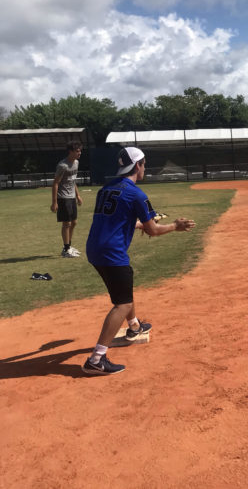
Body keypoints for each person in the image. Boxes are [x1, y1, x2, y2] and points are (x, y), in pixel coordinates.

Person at [82, 147, 196, 375]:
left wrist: (141, 224)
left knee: (124, 290)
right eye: (143, 163)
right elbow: (153, 230)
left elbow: (117, 220)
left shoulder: (106, 189)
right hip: (112, 252)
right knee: (122, 303)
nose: (145, 167)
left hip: (94, 248)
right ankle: (96, 359)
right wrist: (175, 226)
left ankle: (134, 326)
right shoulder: (136, 194)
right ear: (138, 166)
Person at [51, 140, 84, 257]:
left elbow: (72, 180)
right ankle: (66, 250)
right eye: (77, 151)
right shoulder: (62, 166)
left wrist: (78, 195)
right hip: (63, 197)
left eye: (80, 151)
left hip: (72, 197)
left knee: (74, 222)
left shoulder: (76, 163)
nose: (79, 153)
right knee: (67, 224)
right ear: (70, 152)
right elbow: (55, 183)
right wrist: (54, 202)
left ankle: (68, 246)